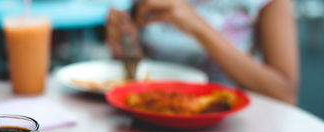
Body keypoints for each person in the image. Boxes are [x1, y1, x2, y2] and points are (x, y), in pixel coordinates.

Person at [106, 0, 299, 105]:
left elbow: (284, 93)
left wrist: (197, 25)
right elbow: (142, 67)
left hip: (234, 122)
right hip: (153, 110)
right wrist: (127, 47)